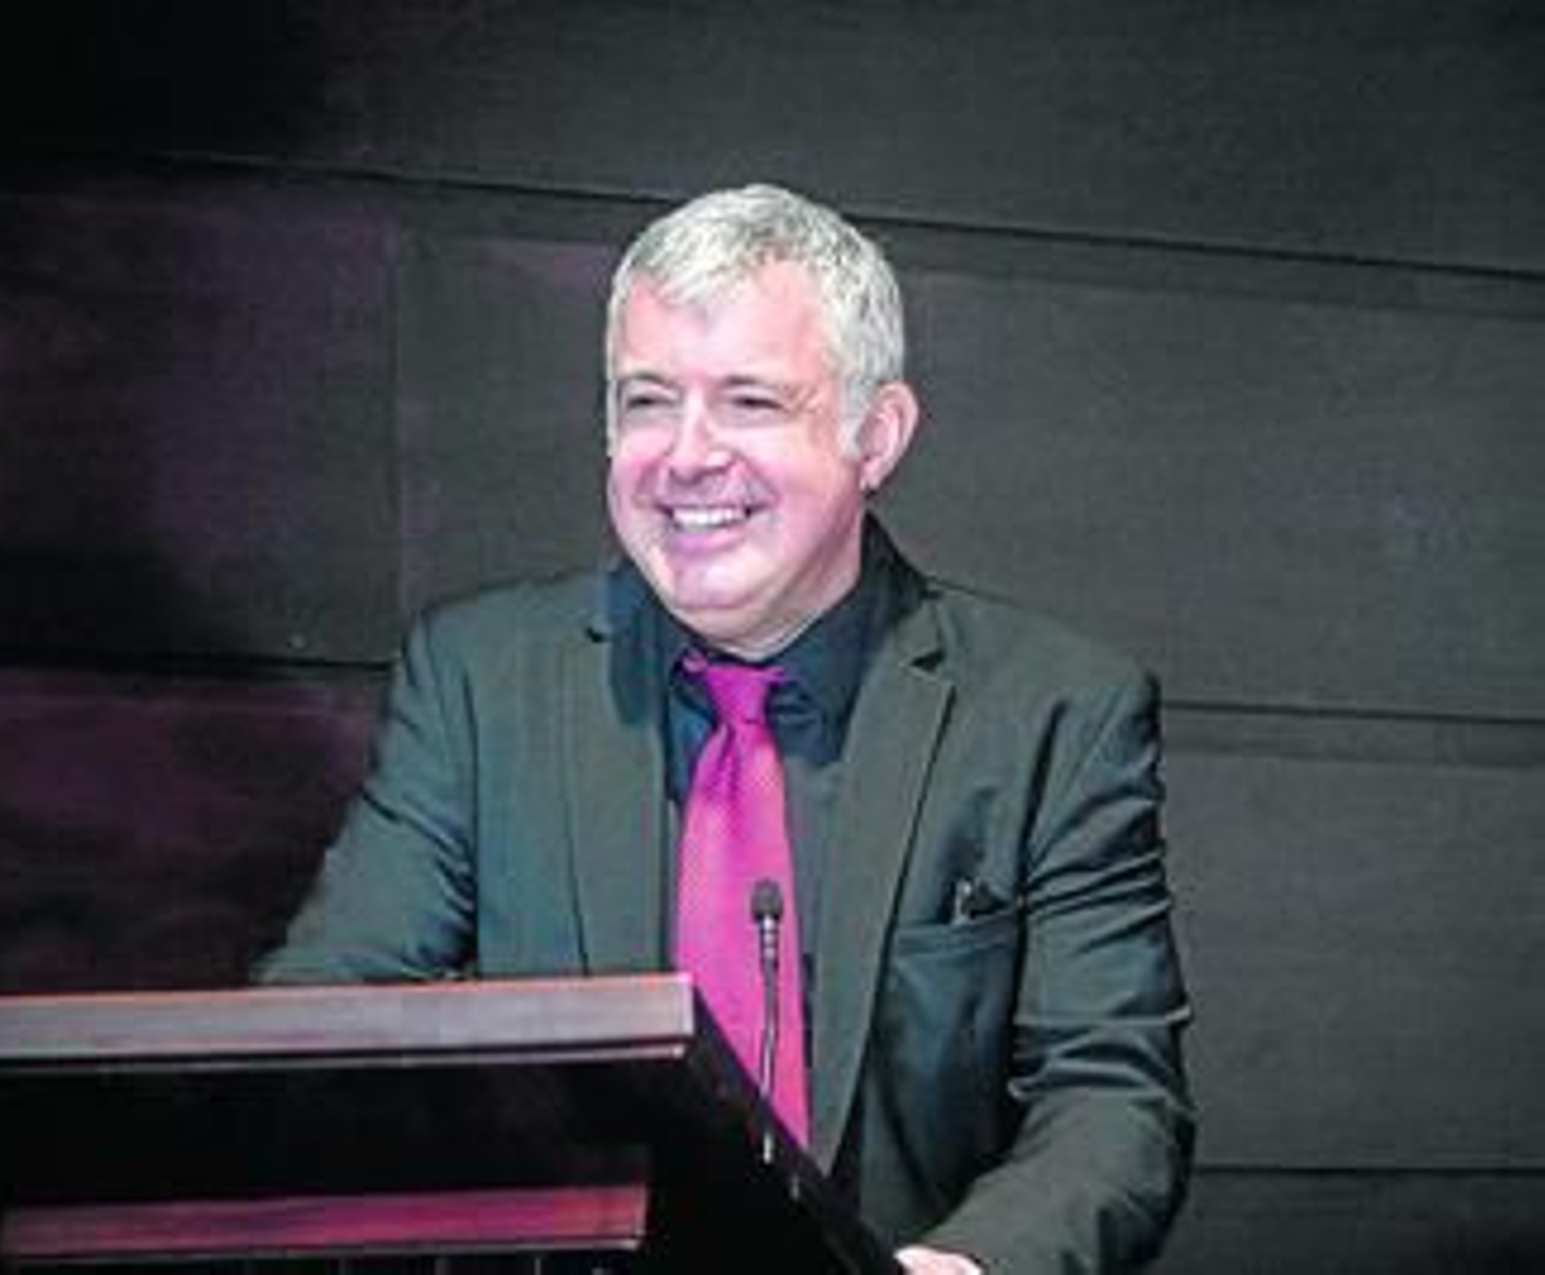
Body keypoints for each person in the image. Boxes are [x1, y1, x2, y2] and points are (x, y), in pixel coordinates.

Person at [255, 184, 1194, 1273]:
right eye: (647, 401)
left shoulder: (1050, 712)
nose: (687, 456)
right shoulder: (477, 682)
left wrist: (964, 1268)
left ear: (874, 435)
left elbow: (1110, 1098)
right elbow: (321, 1034)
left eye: (749, 401)